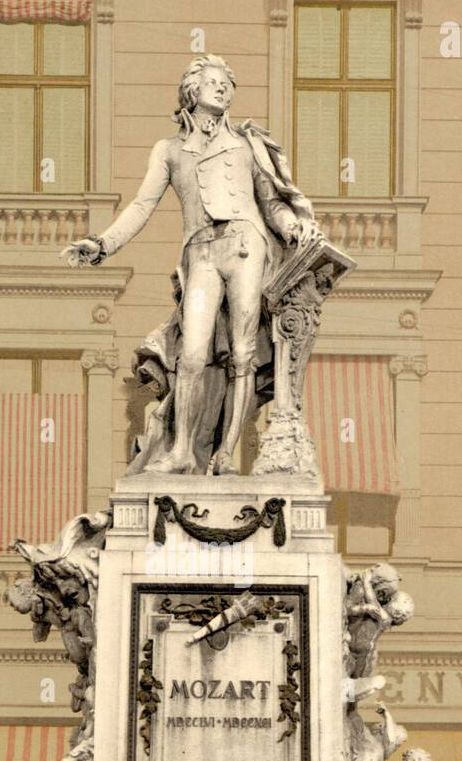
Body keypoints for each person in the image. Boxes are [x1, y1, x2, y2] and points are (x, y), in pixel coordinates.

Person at [62, 54, 320, 475]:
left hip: (245, 245)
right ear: (191, 91)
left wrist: (293, 228)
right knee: (193, 353)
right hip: (200, 250)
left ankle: (226, 456)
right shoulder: (169, 150)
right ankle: (182, 451)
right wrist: (103, 244)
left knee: (243, 352)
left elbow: (271, 203)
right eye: (214, 82)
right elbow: (143, 204)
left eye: (227, 84)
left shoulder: (245, 144)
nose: (223, 88)